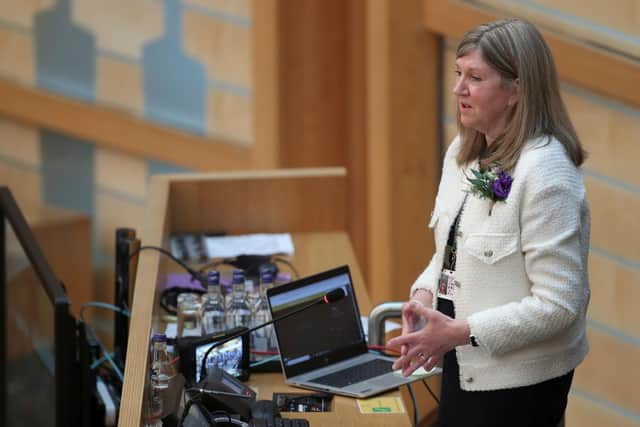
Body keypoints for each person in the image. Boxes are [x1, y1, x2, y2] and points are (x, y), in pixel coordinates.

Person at [388, 18, 590, 427]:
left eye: (475, 77)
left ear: (516, 90)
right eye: (458, 73)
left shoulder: (548, 174)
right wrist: (425, 300)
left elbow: (560, 304)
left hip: (518, 389)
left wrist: (459, 331)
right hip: (463, 363)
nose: (458, 88)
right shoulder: (463, 151)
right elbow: (451, 253)